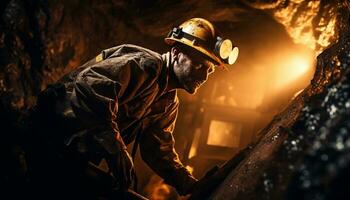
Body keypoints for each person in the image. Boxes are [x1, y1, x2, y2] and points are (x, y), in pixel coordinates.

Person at [27, 18, 239, 199]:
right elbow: (90, 84)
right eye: (199, 65)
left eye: (209, 70)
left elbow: (158, 149)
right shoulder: (146, 65)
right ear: (176, 53)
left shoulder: (166, 101)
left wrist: (189, 185)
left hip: (73, 156)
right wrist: (116, 148)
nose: (203, 76)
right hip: (46, 137)